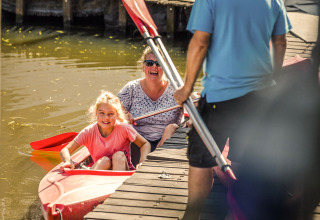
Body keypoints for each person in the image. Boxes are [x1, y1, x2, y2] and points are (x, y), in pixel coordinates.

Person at [173, 0, 292, 219]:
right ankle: (241, 210)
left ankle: (193, 214)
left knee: (202, 159)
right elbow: (281, 42)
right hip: (260, 96)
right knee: (245, 158)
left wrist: (186, 88)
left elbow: (200, 43)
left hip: (220, 95)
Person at [118, 46, 184, 166]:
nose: (154, 67)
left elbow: (195, 105)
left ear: (165, 68)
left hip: (167, 143)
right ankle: (146, 163)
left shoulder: (177, 89)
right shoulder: (131, 88)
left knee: (172, 127)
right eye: (149, 63)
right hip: (138, 141)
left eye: (158, 63)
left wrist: (194, 100)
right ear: (143, 67)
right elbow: (113, 110)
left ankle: (151, 162)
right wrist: (123, 116)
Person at [60, 91, 151, 171]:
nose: (106, 118)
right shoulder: (88, 132)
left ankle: (118, 188)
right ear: (96, 114)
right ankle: (92, 177)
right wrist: (68, 161)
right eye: (102, 113)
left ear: (117, 115)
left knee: (118, 156)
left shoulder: (124, 128)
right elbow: (65, 150)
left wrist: (143, 162)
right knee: (104, 161)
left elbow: (144, 144)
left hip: (121, 172)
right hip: (101, 173)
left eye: (110, 114)